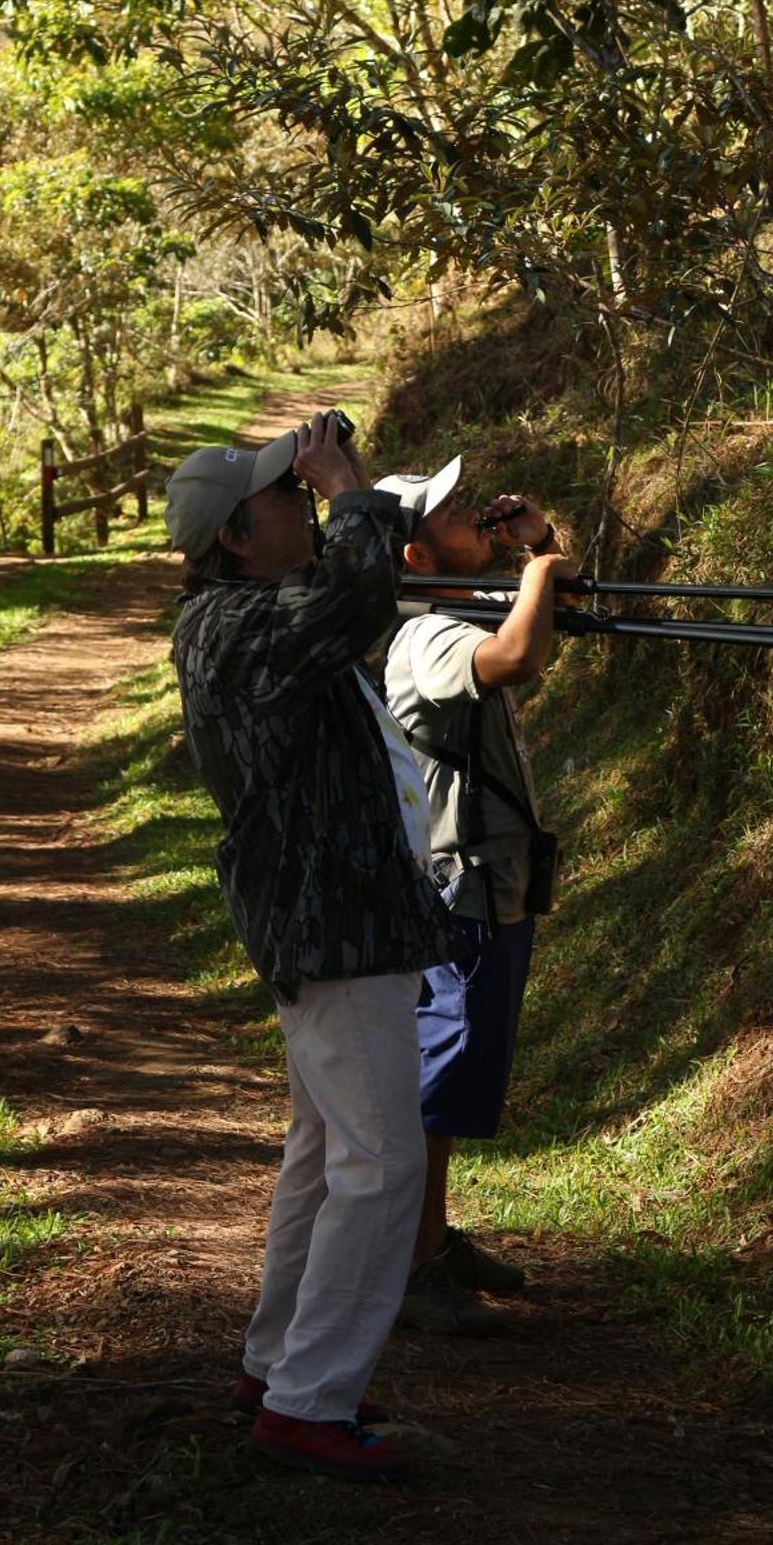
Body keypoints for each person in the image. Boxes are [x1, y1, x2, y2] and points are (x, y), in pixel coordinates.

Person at [166, 410, 455, 1481]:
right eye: (284, 497)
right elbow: (352, 594)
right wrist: (354, 491)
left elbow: (353, 595)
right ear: (238, 537)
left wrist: (355, 495)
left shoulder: (249, 609)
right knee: (381, 1163)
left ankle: (281, 1363)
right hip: (333, 921)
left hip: (329, 912)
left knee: (321, 1152)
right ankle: (310, 1403)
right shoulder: (236, 629)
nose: (302, 504)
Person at [376, 457, 572, 1335]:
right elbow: (520, 652)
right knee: (437, 1079)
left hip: (487, 880)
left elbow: (556, 611)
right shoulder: (424, 635)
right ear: (416, 553)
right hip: (461, 889)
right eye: (446, 510)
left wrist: (542, 545)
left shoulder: (452, 607)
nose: (468, 510)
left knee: (449, 1081)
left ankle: (433, 1242)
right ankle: (415, 1268)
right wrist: (535, 573)